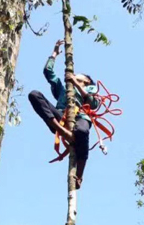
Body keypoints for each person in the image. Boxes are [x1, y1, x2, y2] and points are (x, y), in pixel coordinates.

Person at [28, 39, 99, 189]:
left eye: (80, 76)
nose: (76, 75)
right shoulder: (64, 89)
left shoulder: (90, 90)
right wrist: (54, 53)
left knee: (82, 131)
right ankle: (63, 131)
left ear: (86, 81)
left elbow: (93, 103)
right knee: (34, 95)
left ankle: (79, 175)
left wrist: (75, 82)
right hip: (60, 116)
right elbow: (48, 73)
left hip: (80, 117)